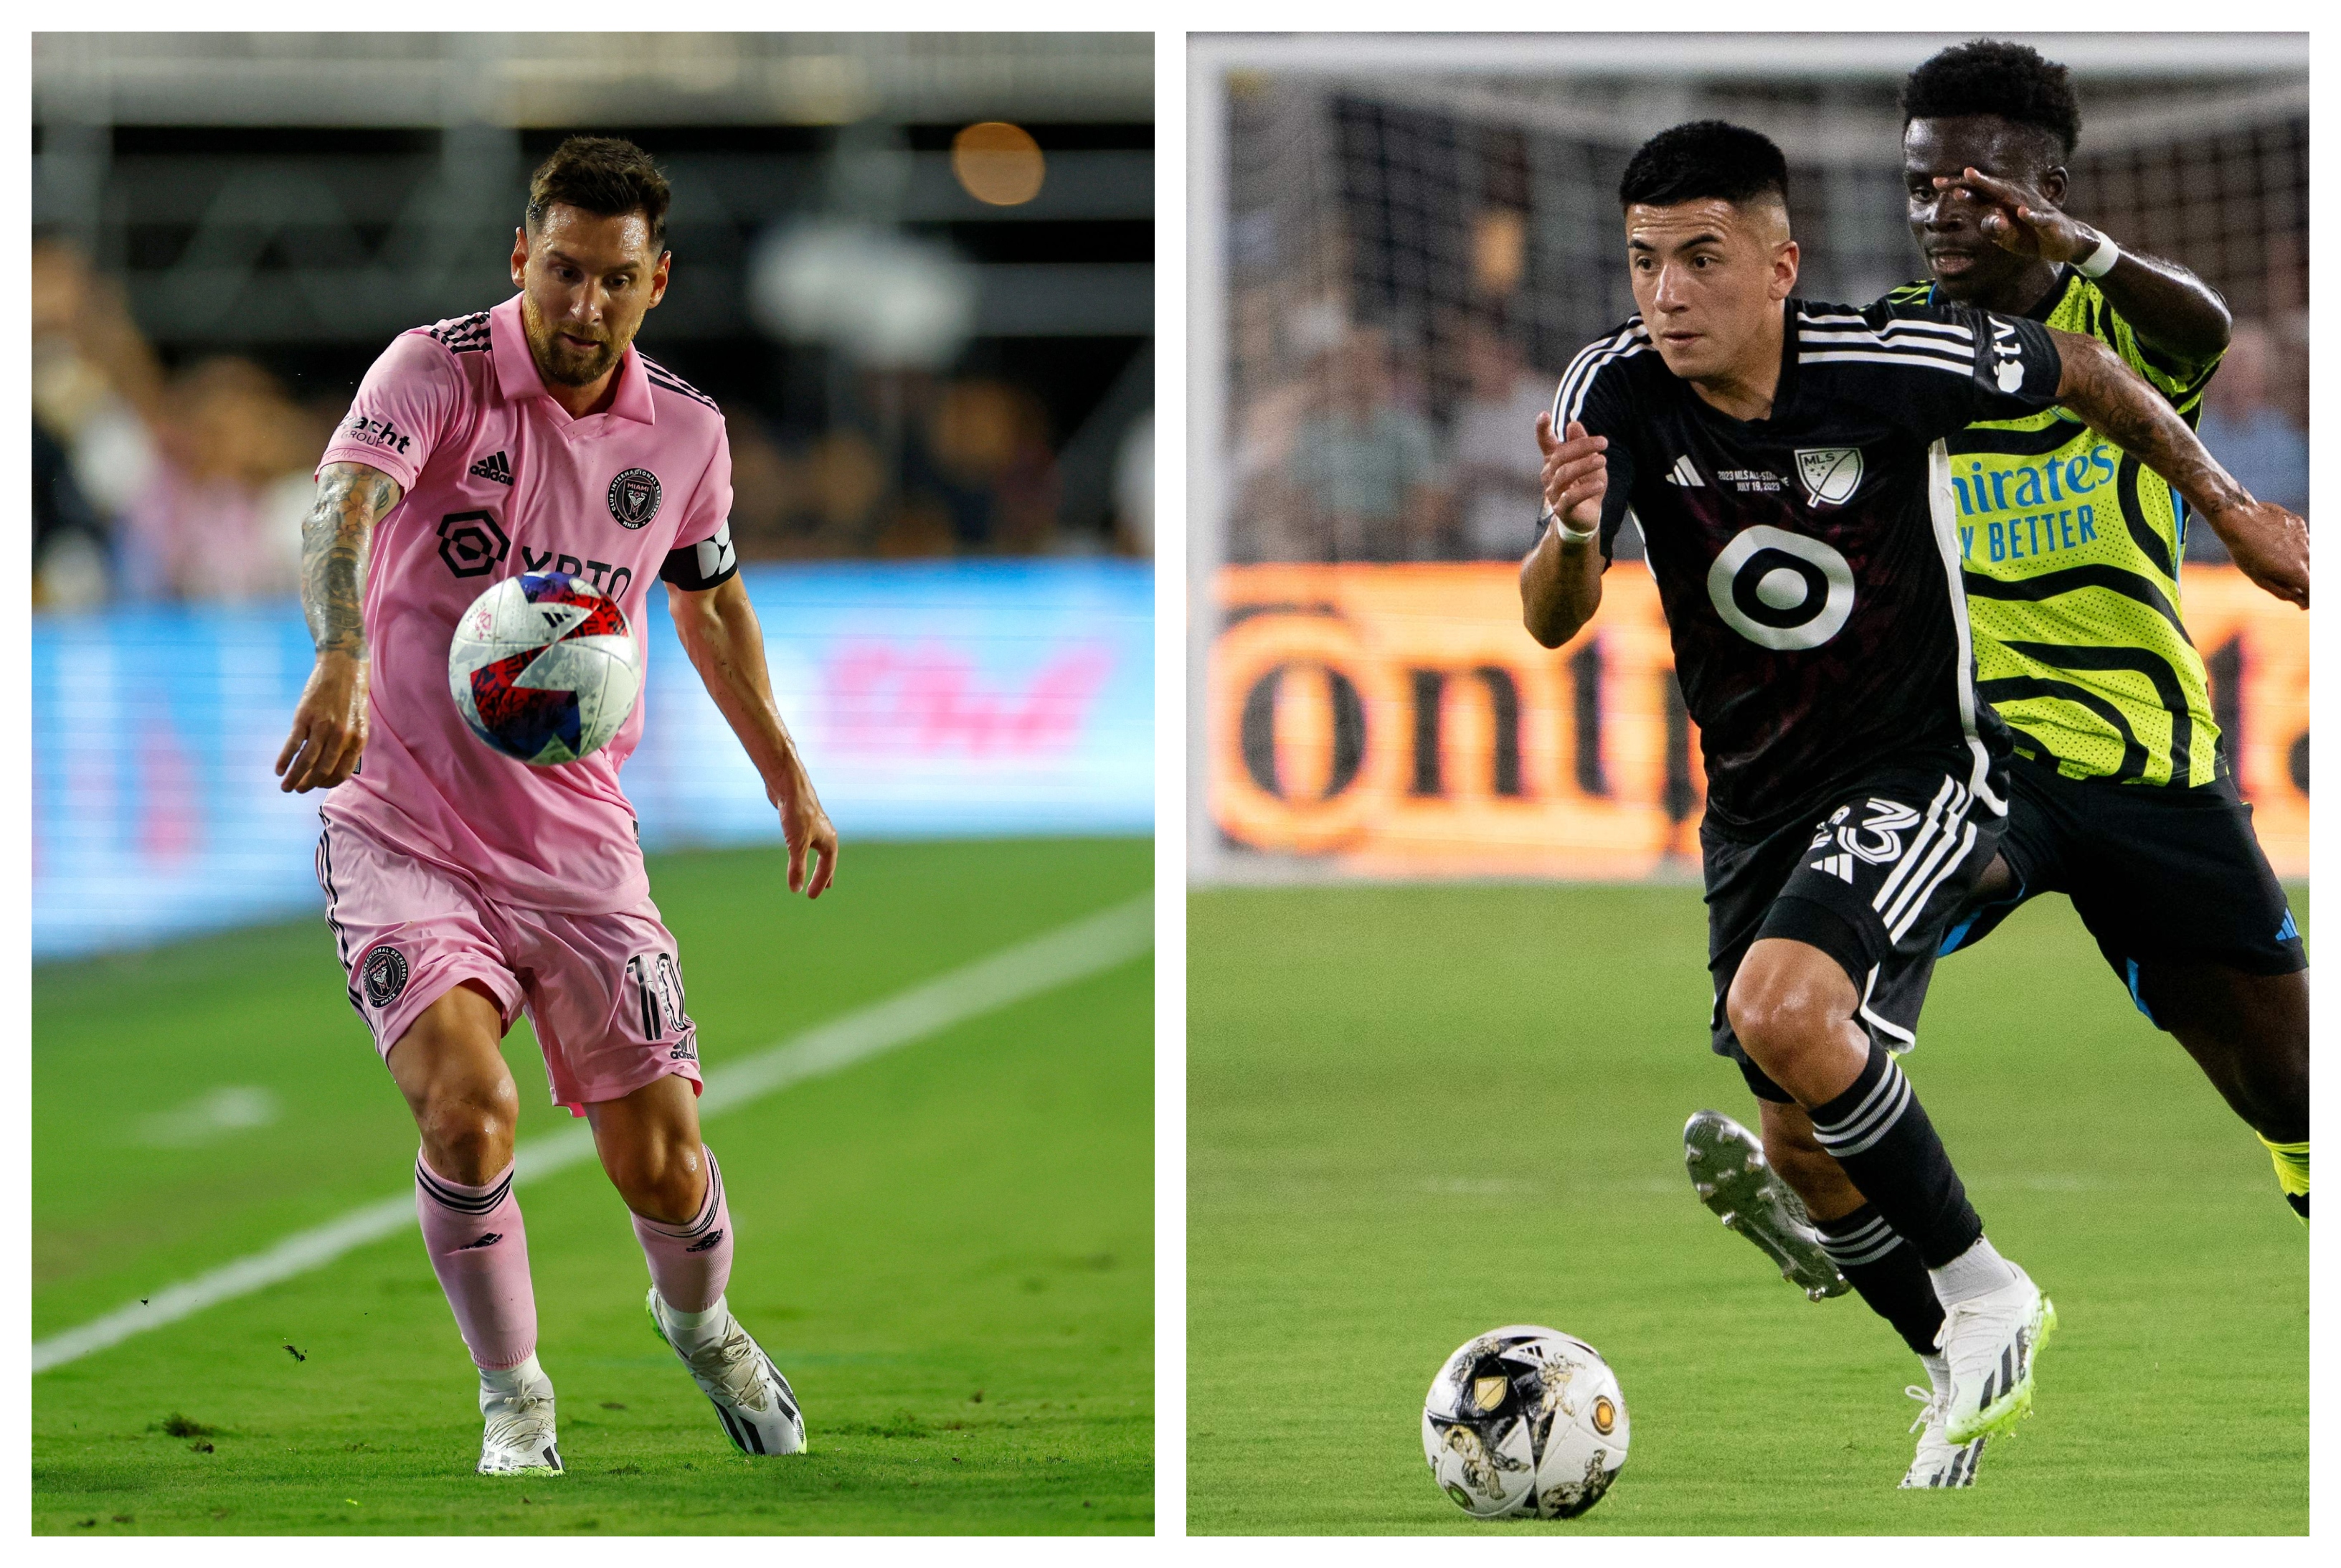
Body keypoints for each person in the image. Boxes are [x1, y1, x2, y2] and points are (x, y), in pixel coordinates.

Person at [1523, 120, 2305, 1490]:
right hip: (1756, 807)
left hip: (1920, 769)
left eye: (1702, 260)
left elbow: (2094, 367)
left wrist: (2232, 511)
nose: (1669, 295)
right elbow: (1551, 620)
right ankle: (1953, 1350)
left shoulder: (1886, 362)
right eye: (1647, 263)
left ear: (1781, 264)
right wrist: (1576, 531)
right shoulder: (1617, 388)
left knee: (1787, 1014)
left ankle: (1988, 1287)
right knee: (1801, 1139)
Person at [274, 136, 839, 1476]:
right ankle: (514, 1397)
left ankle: (700, 1326)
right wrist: (341, 656)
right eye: (564, 272)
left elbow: (707, 599)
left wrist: (785, 769)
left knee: (664, 1165)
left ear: (658, 285)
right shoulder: (436, 373)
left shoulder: (688, 434)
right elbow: (343, 507)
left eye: (616, 280)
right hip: (403, 825)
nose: (583, 305)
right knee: (467, 1109)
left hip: (577, 842)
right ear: (522, 258)